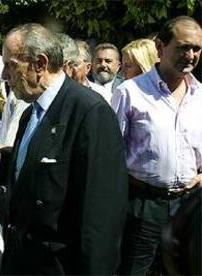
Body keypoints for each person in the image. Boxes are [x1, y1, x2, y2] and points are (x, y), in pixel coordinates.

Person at [0, 23, 128, 275]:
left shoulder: (89, 113)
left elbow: (101, 216)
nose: (3, 74)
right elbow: (34, 171)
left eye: (11, 64)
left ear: (40, 64)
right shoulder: (31, 113)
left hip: (59, 265)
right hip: (23, 258)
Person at [111, 16, 202, 275]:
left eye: (196, 48)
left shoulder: (201, 96)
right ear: (160, 47)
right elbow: (110, 155)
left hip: (189, 206)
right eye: (183, 47)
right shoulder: (130, 92)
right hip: (142, 205)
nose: (191, 55)